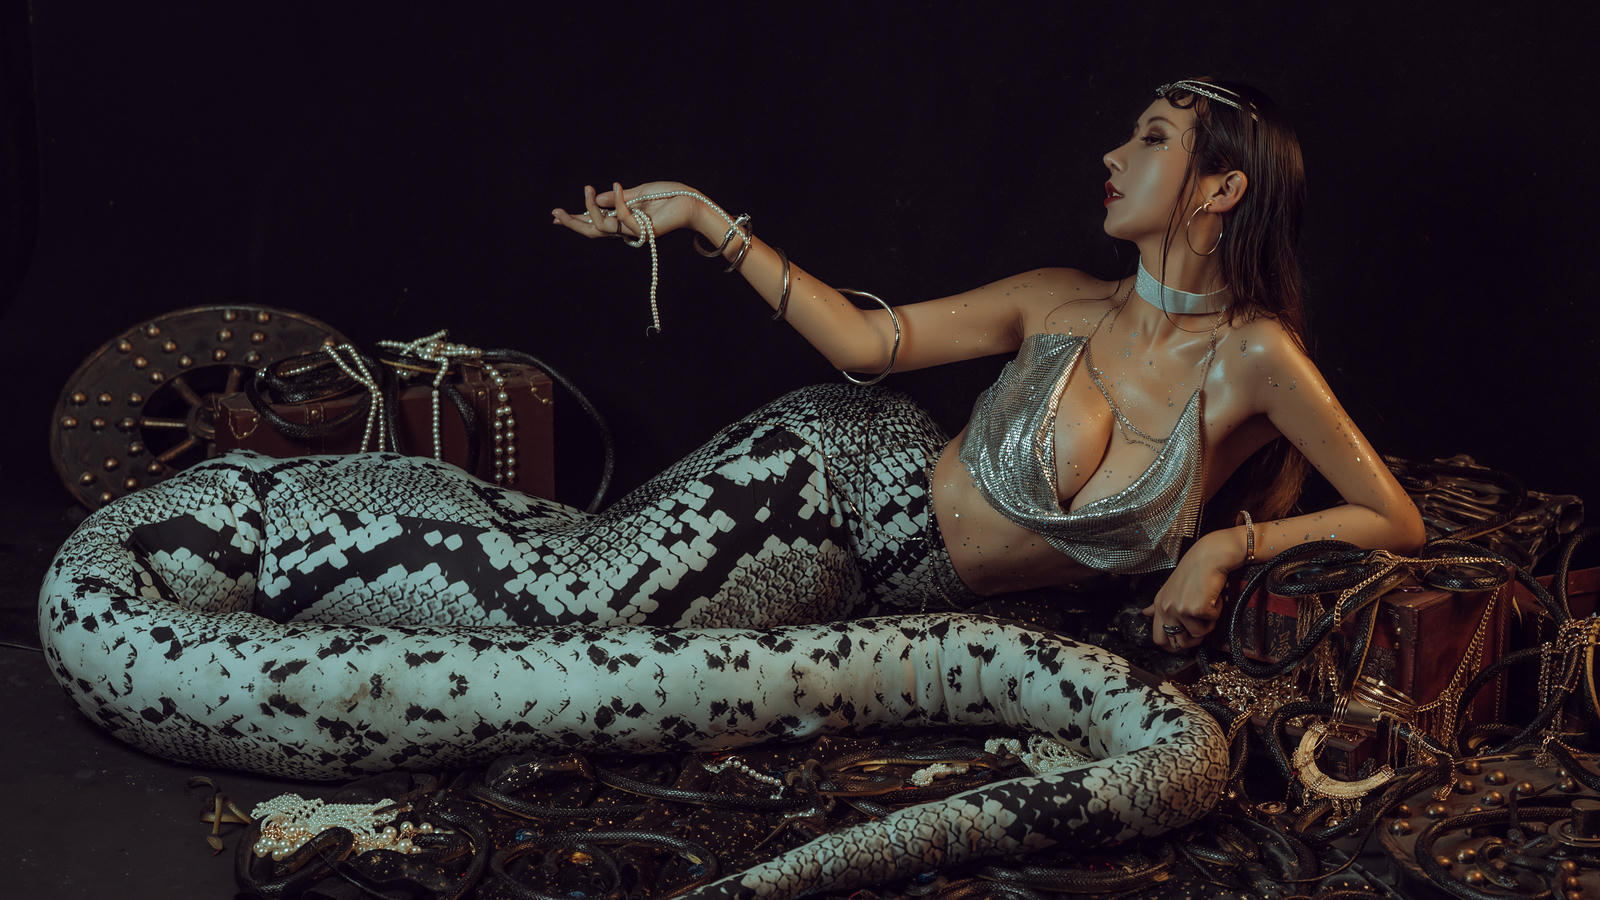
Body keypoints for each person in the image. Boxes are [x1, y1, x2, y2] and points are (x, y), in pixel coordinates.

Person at [550, 77, 1425, 650]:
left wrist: (1229, 547)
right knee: (570, 606)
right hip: (829, 482)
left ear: (1223, 188)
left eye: (1153, 138)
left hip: (886, 599)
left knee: (601, 637)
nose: (1114, 156)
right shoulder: (1058, 298)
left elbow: (1393, 518)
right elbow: (866, 343)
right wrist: (705, 217)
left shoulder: (1254, 356)